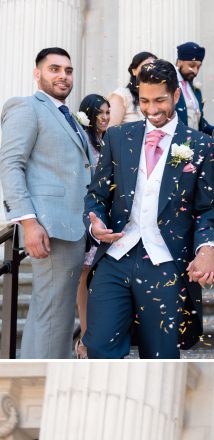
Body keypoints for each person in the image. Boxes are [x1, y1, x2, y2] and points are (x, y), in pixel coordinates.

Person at [82, 59, 214, 359]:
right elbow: (96, 195)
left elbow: (207, 210)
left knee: (160, 357)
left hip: (166, 263)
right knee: (97, 345)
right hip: (116, 257)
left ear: (175, 96)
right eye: (144, 101)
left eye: (159, 100)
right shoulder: (119, 138)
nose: (152, 109)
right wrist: (95, 224)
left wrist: (208, 248)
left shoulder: (201, 146)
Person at [0, 47, 92, 360]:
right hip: (49, 227)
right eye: (54, 69)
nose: (63, 76)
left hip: (73, 227)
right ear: (37, 73)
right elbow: (11, 164)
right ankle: (41, 384)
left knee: (59, 314)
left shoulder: (68, 116)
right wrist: (28, 221)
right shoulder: (27, 107)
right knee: (52, 315)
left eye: (68, 70)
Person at [71, 93, 110, 358]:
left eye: (108, 112)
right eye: (100, 113)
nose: (106, 117)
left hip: (104, 216)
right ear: (89, 115)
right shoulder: (83, 141)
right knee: (84, 277)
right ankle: (84, 338)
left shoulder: (109, 141)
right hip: (84, 215)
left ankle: (97, 333)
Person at [174, 42, 214, 139]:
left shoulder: (195, 89)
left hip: (194, 144)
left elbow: (197, 119)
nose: (195, 71)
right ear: (180, 61)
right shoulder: (169, 84)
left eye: (198, 67)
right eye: (191, 65)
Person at [108, 51, 157, 127]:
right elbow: (110, 130)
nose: (150, 70)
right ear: (134, 71)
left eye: (154, 67)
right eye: (146, 66)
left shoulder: (158, 97)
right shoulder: (122, 96)